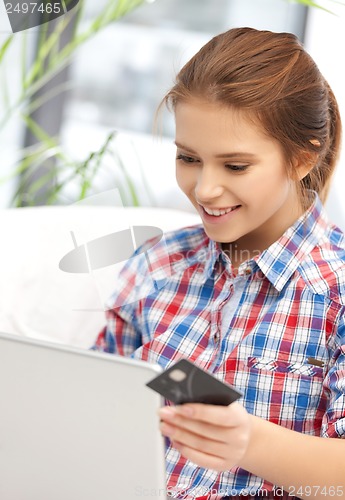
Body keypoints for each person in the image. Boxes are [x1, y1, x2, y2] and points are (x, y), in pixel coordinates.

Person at [92, 27, 345, 500]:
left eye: (235, 166)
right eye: (188, 157)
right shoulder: (157, 265)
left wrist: (249, 442)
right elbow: (91, 405)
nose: (204, 189)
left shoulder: (336, 292)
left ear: (302, 158)